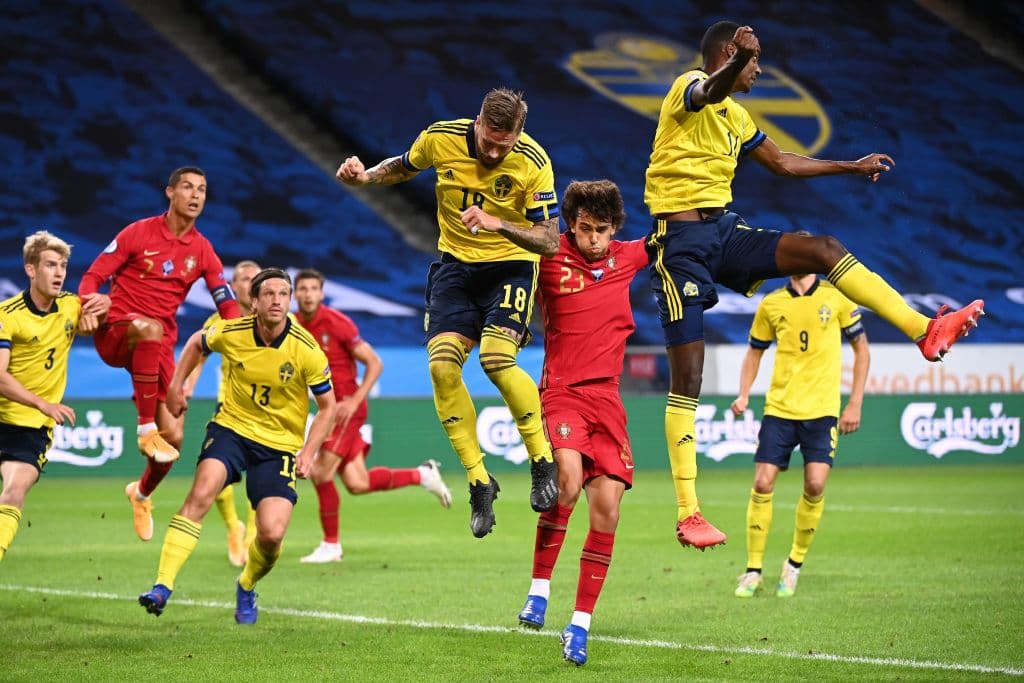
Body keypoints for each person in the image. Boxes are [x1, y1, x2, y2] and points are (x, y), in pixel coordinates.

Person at [643, 21, 984, 550]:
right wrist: (738, 62)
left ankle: (924, 330)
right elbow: (708, 89)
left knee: (823, 248)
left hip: (723, 232)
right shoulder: (688, 88)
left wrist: (851, 166)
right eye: (754, 60)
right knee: (688, 375)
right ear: (730, 52)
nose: (759, 69)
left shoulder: (737, 117)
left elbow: (782, 162)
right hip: (680, 242)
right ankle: (689, 513)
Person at [336, 87, 561, 538]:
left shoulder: (533, 161)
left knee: (495, 359)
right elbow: (403, 165)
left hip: (510, 267)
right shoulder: (441, 138)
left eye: (504, 145)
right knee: (441, 369)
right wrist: (366, 178)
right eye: (489, 140)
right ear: (478, 122)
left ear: (518, 135)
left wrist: (499, 223)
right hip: (455, 267)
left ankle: (542, 460)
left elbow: (550, 239)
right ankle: (479, 481)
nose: (494, 152)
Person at [138, 268, 335, 624]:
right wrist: (176, 387)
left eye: (283, 294)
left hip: (278, 444)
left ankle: (246, 584)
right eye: (269, 294)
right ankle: (162, 586)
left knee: (272, 534)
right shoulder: (232, 331)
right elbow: (197, 343)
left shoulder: (306, 349)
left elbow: (328, 408)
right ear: (254, 302)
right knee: (202, 492)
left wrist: (307, 453)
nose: (277, 300)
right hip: (232, 428)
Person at [514, 180, 648, 666]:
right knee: (567, 481)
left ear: (615, 229)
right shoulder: (549, 257)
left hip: (607, 398)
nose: (593, 238)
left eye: (602, 230)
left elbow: (677, 236)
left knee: (607, 508)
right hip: (563, 392)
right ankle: (539, 589)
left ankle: (579, 624)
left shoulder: (628, 257)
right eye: (585, 228)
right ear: (571, 224)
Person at [79, 166, 241, 542]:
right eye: (187, 187)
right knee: (150, 329)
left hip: (160, 348)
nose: (195, 195)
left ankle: (141, 494)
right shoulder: (138, 232)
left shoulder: (202, 250)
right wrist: (88, 302)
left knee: (175, 440)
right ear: (170, 192)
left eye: (202, 189)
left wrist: (240, 334)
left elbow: (226, 301)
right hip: (118, 332)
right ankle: (144, 429)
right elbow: (93, 276)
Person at [730, 252, 870, 598]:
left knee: (815, 484)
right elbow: (754, 352)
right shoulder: (772, 303)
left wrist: (855, 402)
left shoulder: (837, 297)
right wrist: (744, 394)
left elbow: (862, 350)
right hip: (780, 408)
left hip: (822, 410)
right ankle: (752, 571)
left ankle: (793, 564)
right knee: (762, 482)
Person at [292, 268, 453, 563]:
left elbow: (374, 362)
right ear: (295, 294)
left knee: (321, 472)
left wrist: (354, 401)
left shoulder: (337, 323)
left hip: (345, 411)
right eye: (302, 289)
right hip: (327, 410)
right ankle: (423, 474)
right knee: (357, 483)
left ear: (322, 293)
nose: (308, 294)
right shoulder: (293, 326)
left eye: (313, 288)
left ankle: (331, 545)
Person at [0, 231, 109, 562]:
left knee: (14, 493)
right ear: (31, 269)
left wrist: (103, 309)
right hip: (15, 411)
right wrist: (43, 403)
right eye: (50, 265)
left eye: (63, 265)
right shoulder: (7, 314)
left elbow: (106, 310)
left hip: (29, 430)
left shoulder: (72, 306)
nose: (59, 272)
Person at [184, 260, 263, 567]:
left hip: (267, 410)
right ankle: (234, 526)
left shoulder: (275, 315)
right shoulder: (220, 318)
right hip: (230, 407)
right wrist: (188, 385)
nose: (250, 283)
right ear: (233, 286)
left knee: (260, 476)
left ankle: (253, 536)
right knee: (214, 476)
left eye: (255, 278)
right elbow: (199, 353)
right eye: (244, 278)